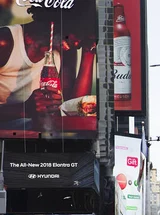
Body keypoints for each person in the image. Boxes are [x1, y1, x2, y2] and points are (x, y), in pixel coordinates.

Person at [0, 2, 98, 130]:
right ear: (55, 20)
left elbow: (75, 108)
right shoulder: (5, 42)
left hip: (34, 131)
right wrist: (24, 109)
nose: (77, 42)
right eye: (75, 32)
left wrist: (89, 50)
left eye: (82, 36)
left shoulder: (64, 49)